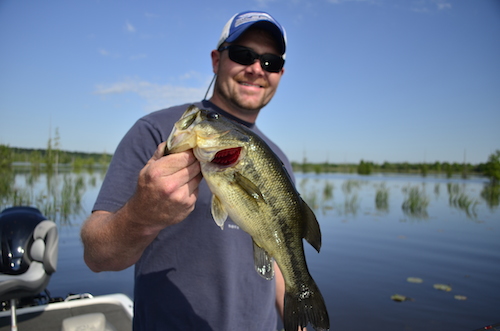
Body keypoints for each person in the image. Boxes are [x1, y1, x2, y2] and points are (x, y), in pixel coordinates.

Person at [81, 10, 293, 331]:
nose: (255, 69)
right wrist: (140, 214)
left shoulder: (277, 159)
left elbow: (275, 250)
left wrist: (298, 310)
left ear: (279, 73)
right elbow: (97, 255)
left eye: (270, 62)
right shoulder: (157, 131)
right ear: (215, 60)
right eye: (242, 54)